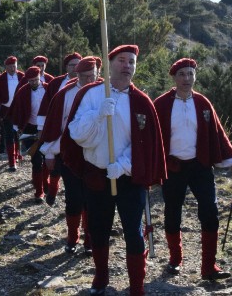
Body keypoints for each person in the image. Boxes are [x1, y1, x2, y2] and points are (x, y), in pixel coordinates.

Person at [62, 45, 166, 296]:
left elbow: (145, 145)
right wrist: (98, 115)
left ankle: (137, 286)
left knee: (133, 230)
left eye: (131, 61)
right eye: (121, 60)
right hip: (97, 175)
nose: (127, 65)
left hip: (130, 178)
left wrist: (122, 165)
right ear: (109, 65)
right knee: (98, 228)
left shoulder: (141, 101)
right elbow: (77, 135)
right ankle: (101, 275)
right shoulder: (91, 94)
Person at [153, 58, 232, 281]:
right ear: (174, 77)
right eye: (182, 74)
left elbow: (218, 133)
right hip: (173, 167)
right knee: (172, 212)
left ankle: (208, 267)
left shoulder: (203, 103)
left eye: (190, 74)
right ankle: (175, 259)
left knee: (210, 212)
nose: (186, 79)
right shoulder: (161, 104)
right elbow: (150, 137)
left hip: (200, 165)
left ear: (195, 77)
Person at [39, 56, 100, 254]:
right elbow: (55, 125)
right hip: (70, 154)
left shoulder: (104, 92)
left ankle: (90, 240)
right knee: (74, 198)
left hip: (96, 154)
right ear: (77, 75)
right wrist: (49, 151)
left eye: (92, 75)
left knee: (91, 199)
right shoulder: (65, 94)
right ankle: (72, 238)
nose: (89, 79)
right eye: (85, 76)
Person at [33, 52, 83, 203]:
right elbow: (46, 106)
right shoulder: (56, 84)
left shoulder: (90, 83)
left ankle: (75, 197)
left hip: (81, 134)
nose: (75, 68)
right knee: (55, 164)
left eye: (78, 64)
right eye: (72, 65)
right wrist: (42, 129)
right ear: (66, 67)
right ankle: (53, 190)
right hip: (58, 131)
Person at [9, 66, 49, 202]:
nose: (33, 83)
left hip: (47, 129)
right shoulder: (22, 91)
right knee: (36, 160)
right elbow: (17, 109)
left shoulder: (48, 89)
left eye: (35, 80)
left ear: (40, 77)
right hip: (30, 129)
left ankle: (46, 183)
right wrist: (18, 127)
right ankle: (39, 192)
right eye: (30, 81)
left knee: (47, 159)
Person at [0, 56, 25, 171]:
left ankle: (18, 154)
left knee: (18, 134)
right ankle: (11, 161)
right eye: (9, 67)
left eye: (14, 66)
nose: (12, 69)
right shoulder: (1, 79)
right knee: (9, 135)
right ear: (6, 67)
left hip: (20, 110)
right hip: (7, 111)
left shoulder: (22, 77)